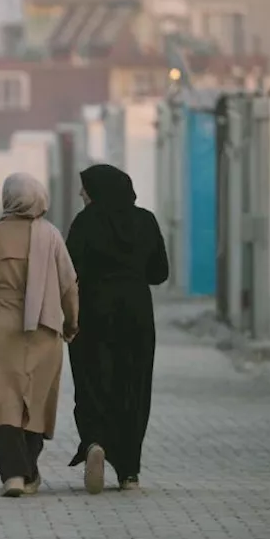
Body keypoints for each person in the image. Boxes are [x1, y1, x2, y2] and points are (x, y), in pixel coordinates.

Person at [0, 173, 79, 497]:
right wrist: (71, 324)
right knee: (36, 402)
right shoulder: (52, 236)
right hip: (44, 328)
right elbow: (69, 286)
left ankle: (15, 474)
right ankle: (28, 471)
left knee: (4, 404)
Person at [65, 164, 169, 494]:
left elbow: (69, 269)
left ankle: (95, 441)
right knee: (133, 385)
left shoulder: (85, 222)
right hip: (136, 313)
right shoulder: (146, 221)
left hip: (93, 310)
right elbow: (159, 273)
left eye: (86, 188)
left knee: (94, 379)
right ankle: (129, 472)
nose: (82, 194)